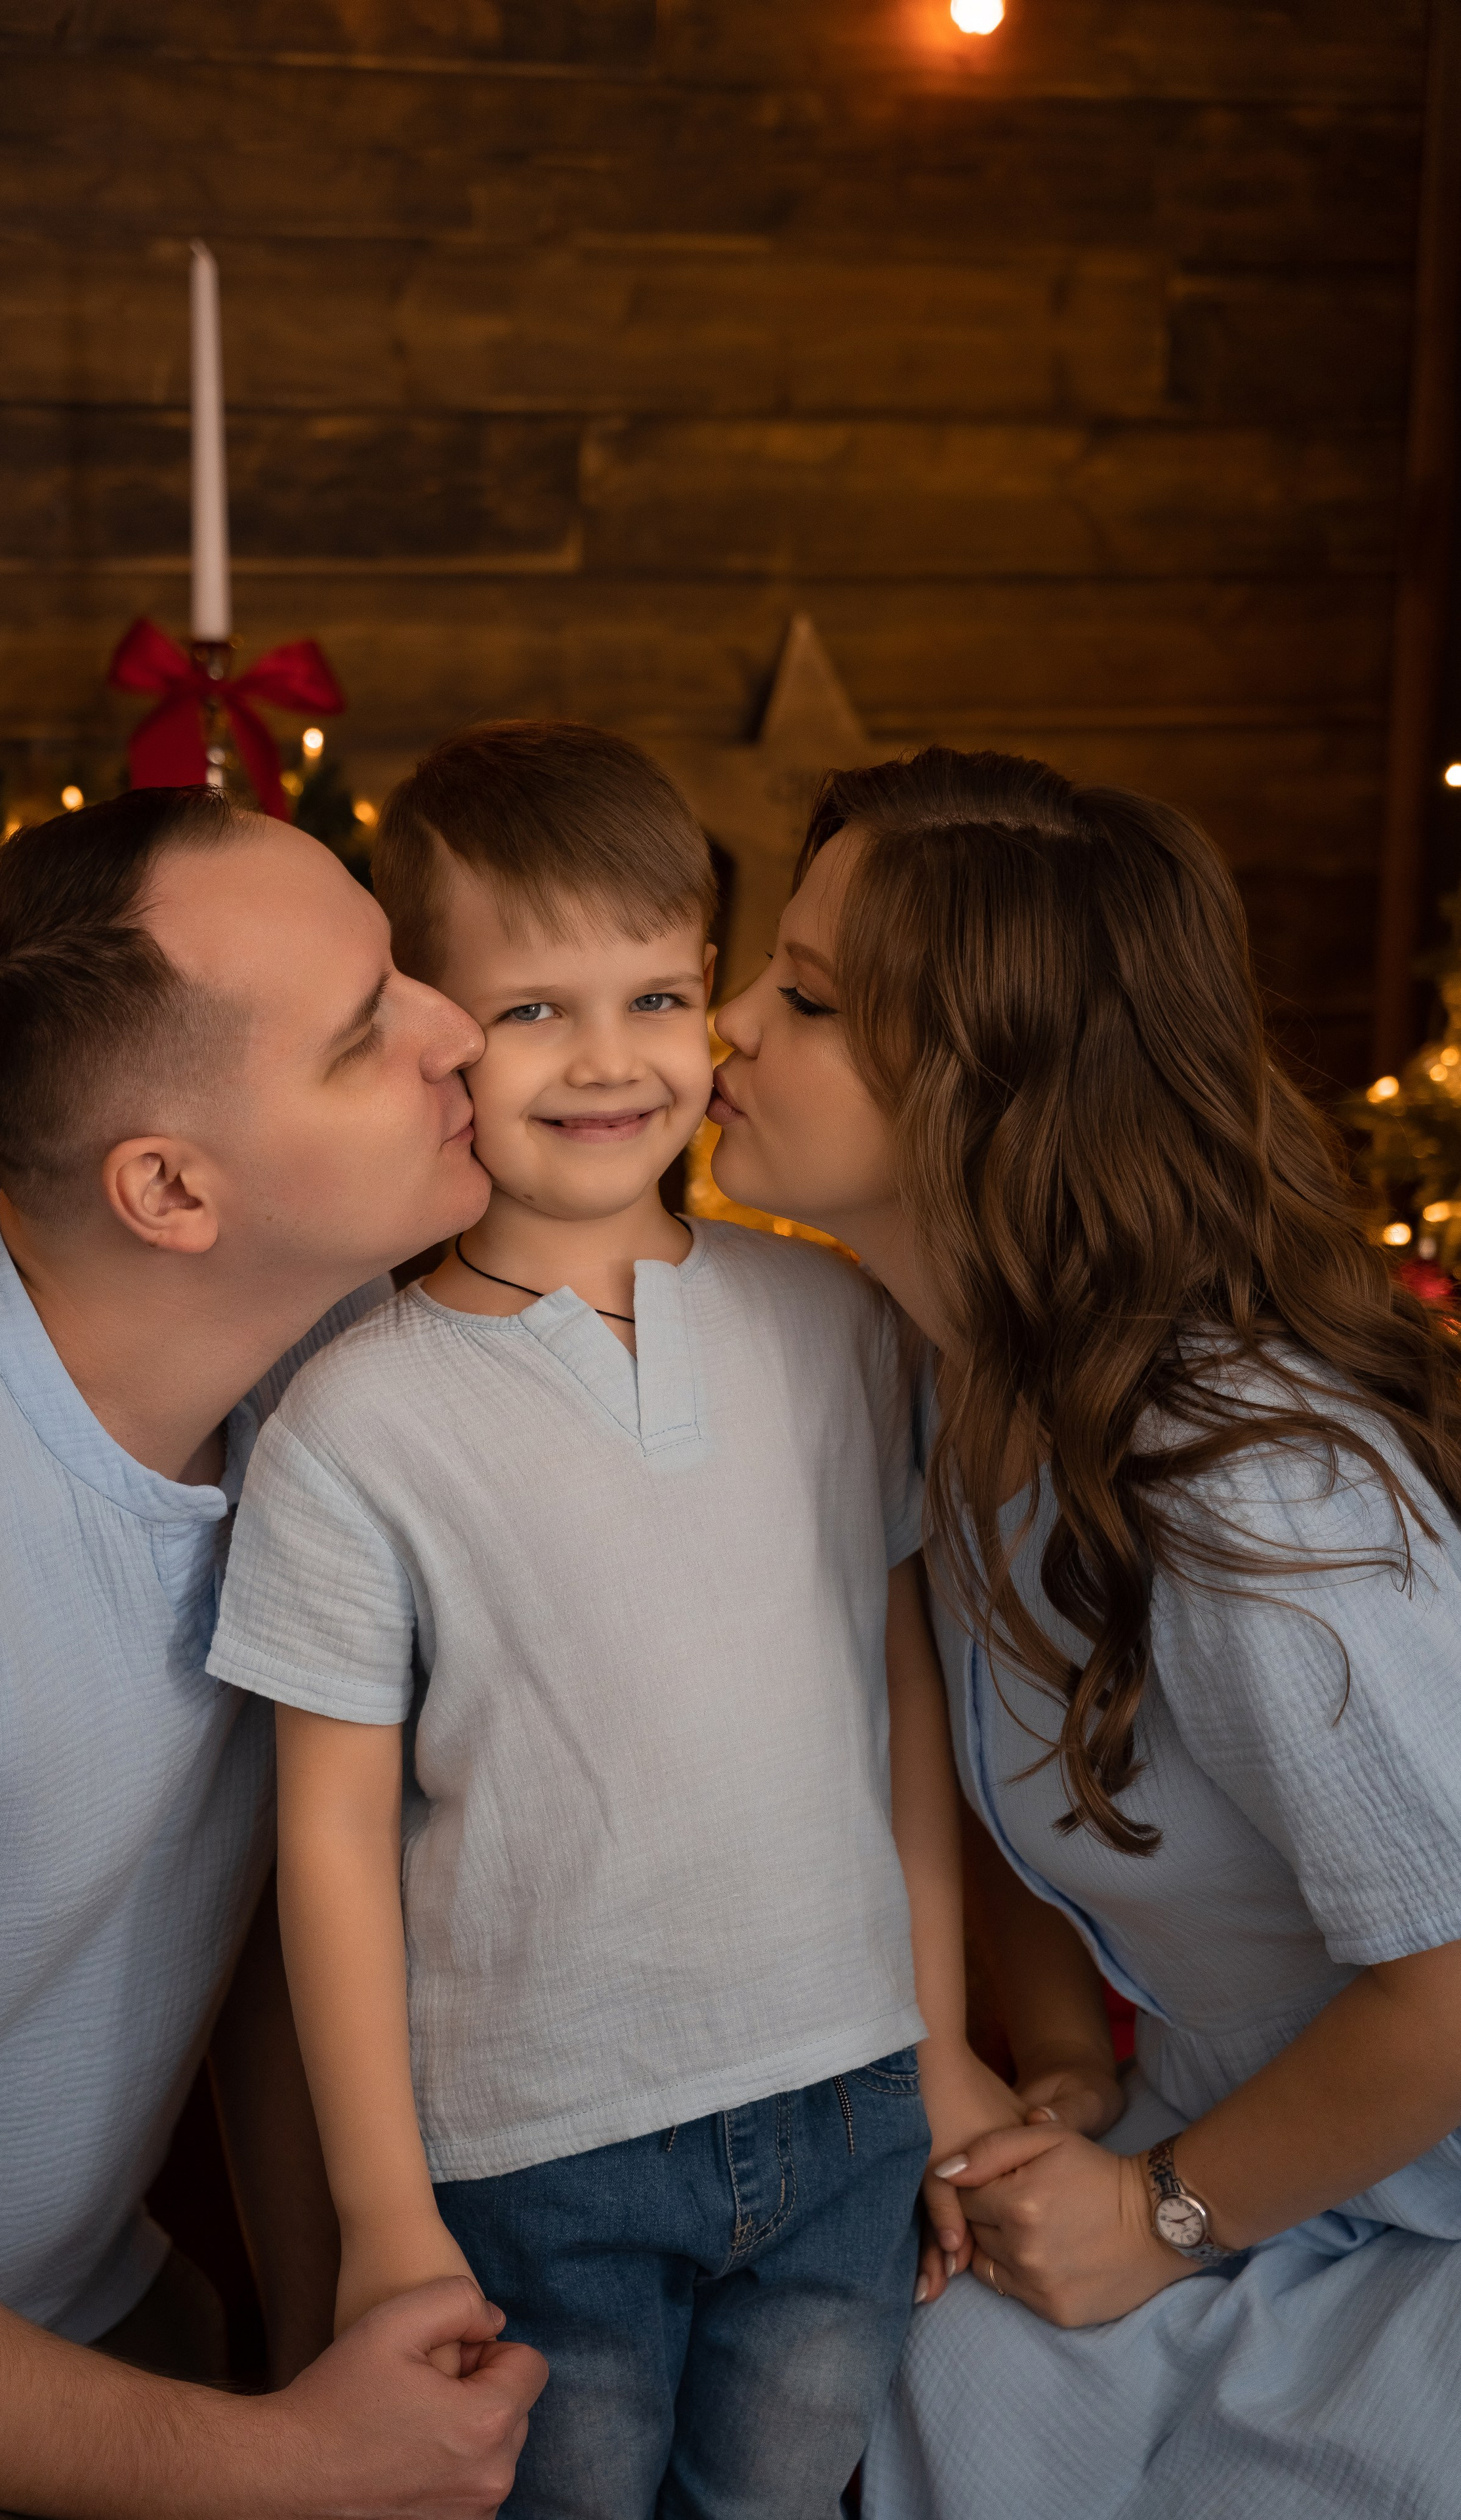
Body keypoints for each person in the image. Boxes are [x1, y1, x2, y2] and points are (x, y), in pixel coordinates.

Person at [206, 721, 1016, 2520]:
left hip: (845, 2113)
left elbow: (898, 1714)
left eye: (657, 996)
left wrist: (935, 2040)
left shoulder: (836, 1327)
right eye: (533, 1010)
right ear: (432, 1030)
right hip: (535, 2153)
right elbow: (328, 1840)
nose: (607, 1061)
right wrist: (385, 2218)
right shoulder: (356, 1416)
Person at [706, 743, 1461, 2520]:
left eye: (805, 998)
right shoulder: (961, 1385)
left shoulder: (1244, 1490)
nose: (726, 1022)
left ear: (988, 1088)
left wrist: (1169, 2212)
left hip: (1394, 2177)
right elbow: (991, 1766)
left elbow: (1452, 1983)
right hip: (1226, 2132)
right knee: (905, 2357)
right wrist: (1048, 2048)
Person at [0, 786, 546, 2519]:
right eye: (368, 1036)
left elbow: (285, 1889)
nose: (454, 1031)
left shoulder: (320, 1350)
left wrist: (330, 2329)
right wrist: (285, 2461)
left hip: (115, 2306)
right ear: (174, 1189)